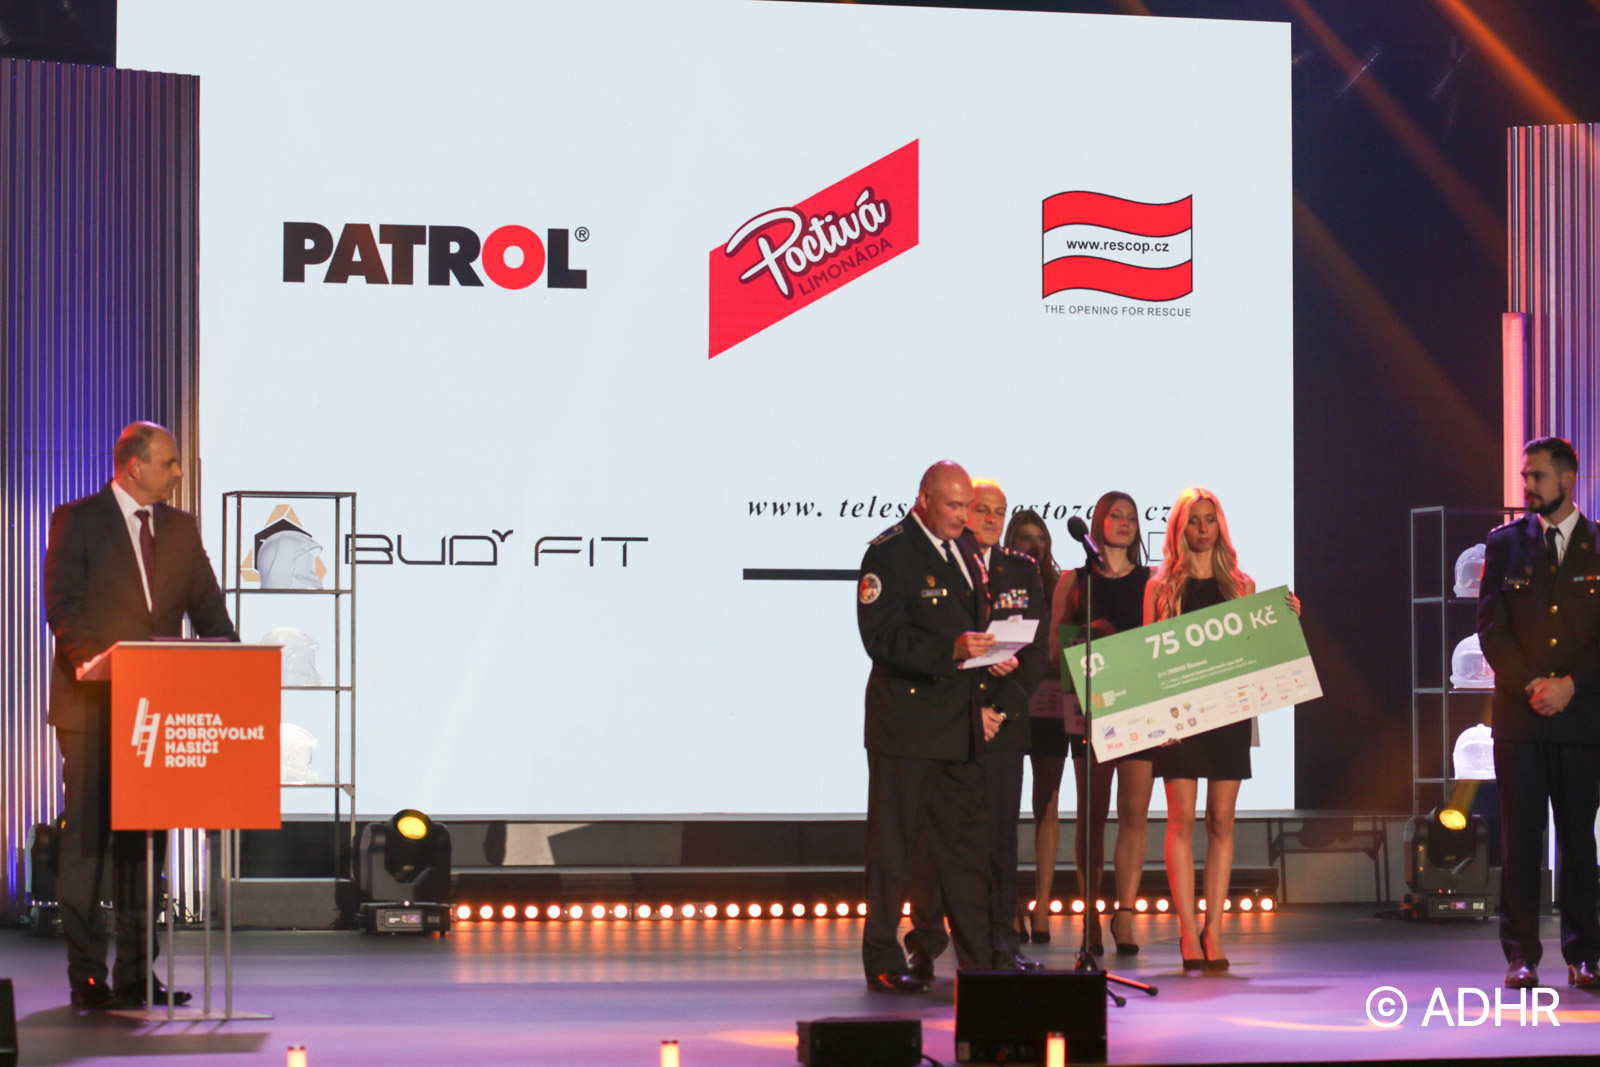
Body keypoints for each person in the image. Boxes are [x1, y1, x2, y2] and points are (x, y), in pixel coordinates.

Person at [44, 422, 238, 1009]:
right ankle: (87, 974)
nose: (178, 473)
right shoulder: (77, 519)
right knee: (88, 843)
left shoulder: (180, 528)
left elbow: (208, 608)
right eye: (170, 463)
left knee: (143, 845)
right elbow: (63, 605)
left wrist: (233, 667)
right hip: (91, 707)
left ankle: (135, 973)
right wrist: (98, 663)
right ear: (134, 466)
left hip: (158, 711)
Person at [857, 461, 1008, 993]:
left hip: (958, 725)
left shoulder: (963, 548)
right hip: (907, 726)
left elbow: (969, 625)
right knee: (894, 850)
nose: (964, 516)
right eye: (953, 505)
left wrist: (992, 655)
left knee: (966, 850)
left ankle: (981, 960)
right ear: (923, 498)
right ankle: (881, 956)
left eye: (968, 505)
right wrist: (951, 650)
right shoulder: (890, 552)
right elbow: (881, 638)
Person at [1143, 487, 1297, 972]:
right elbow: (1149, 657)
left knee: (1222, 821)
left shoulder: (1241, 585)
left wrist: (1286, 621)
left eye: (1210, 519)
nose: (1203, 528)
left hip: (1228, 713)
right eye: (1194, 520)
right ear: (1179, 528)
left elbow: (1256, 652)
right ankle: (1188, 931)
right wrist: (1159, 720)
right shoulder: (1161, 587)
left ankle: (1214, 929)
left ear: (1220, 525)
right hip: (1179, 717)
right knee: (1181, 821)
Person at [904, 479, 1048, 979]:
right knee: (933, 842)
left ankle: (1001, 942)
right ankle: (926, 943)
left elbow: (1035, 652)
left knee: (999, 841)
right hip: (949, 721)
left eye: (998, 512)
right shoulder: (943, 562)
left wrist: (999, 710)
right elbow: (935, 641)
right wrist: (970, 712)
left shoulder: (1021, 569)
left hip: (1001, 728)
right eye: (981, 509)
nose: (990, 519)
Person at [1477, 436, 1600, 991]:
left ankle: (1584, 954)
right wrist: (1533, 684)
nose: (1527, 486)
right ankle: (1521, 956)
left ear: (1568, 480)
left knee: (1579, 841)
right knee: (1521, 841)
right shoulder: (1504, 544)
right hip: (1521, 718)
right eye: (1525, 476)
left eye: (1537, 476)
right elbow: (1491, 627)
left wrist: (1571, 684)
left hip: (1581, 718)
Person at [1048, 492, 1153, 955]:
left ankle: (1124, 915)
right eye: (1116, 515)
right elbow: (1056, 652)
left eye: (1131, 517)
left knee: (1134, 812)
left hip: (1142, 705)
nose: (1125, 523)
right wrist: (1092, 640)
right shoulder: (1074, 580)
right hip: (1090, 707)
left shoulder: (1152, 580)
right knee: (1092, 814)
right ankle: (1090, 911)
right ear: (1098, 523)